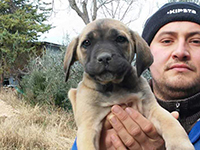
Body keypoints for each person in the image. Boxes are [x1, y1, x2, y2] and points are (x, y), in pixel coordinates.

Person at [72, 2, 200, 149]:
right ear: (148, 49)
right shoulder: (89, 104)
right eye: (167, 41)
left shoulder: (142, 95)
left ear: (138, 50)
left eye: (196, 41)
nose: (180, 52)